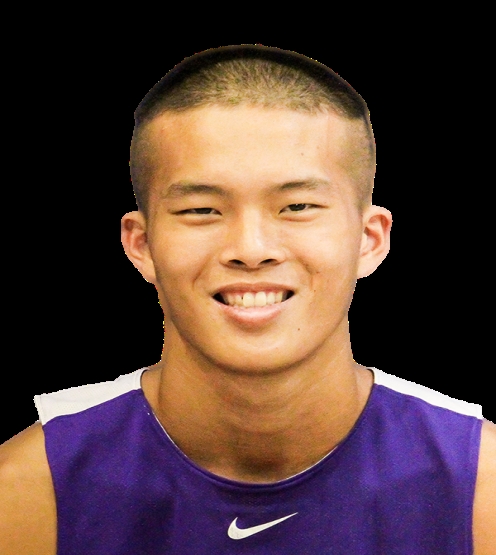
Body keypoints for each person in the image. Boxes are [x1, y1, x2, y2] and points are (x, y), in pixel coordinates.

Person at [1, 45, 494, 555]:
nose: (251, 249)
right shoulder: (25, 490)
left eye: (297, 206)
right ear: (142, 245)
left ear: (369, 239)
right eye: (201, 210)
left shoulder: (482, 485)